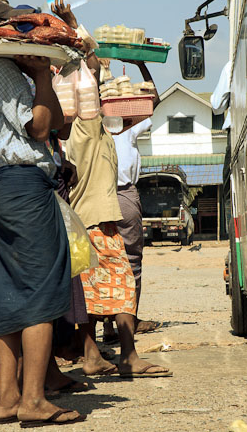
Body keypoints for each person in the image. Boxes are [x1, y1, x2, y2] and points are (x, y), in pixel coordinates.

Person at [0, 0, 84, 427]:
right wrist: (39, 75)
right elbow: (40, 126)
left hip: (4, 190)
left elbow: (51, 125)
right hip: (23, 188)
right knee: (38, 295)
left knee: (13, 297)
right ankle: (34, 400)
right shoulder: (3, 70)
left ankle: (9, 398)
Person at [50, 2, 171, 380]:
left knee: (86, 289)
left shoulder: (68, 132)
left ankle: (91, 355)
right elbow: (92, 61)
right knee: (121, 284)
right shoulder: (87, 126)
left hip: (81, 218)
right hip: (97, 219)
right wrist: (75, 28)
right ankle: (128, 356)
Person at [106, 59, 161, 342]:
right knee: (131, 262)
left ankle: (107, 326)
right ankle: (128, 322)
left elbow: (153, 102)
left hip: (97, 193)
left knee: (102, 261)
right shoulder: (127, 125)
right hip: (123, 193)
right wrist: (141, 64)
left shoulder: (93, 123)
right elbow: (155, 102)